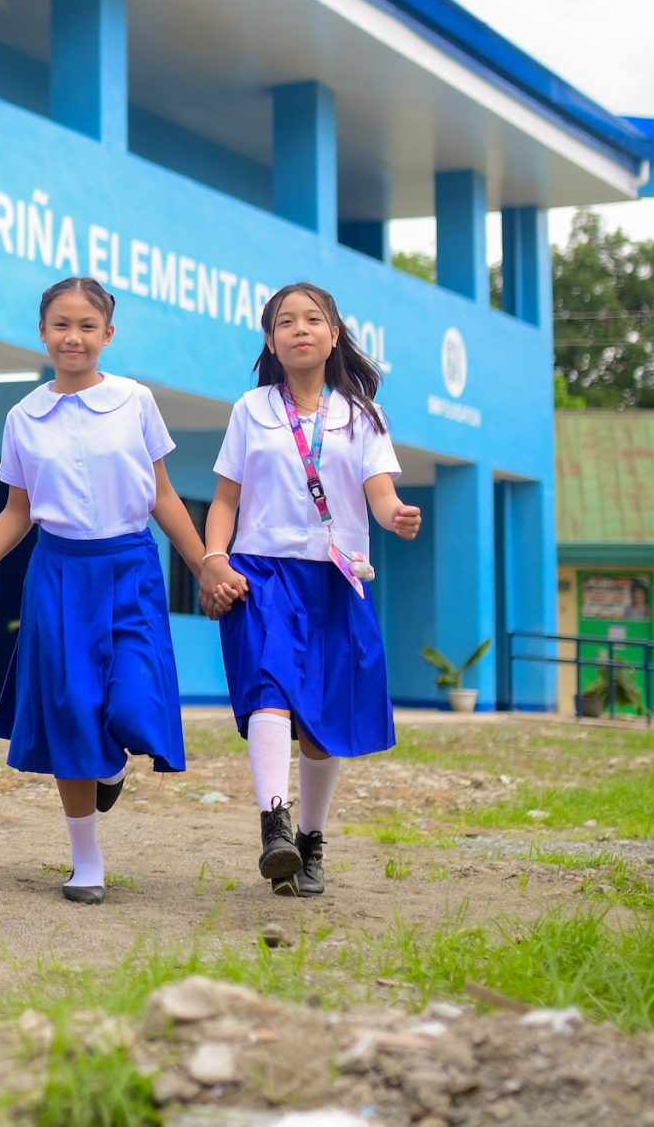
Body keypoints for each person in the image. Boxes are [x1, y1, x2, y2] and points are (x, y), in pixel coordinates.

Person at [0, 277, 208, 904]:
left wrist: (208, 561)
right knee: (74, 709)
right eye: (60, 325)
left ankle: (112, 762)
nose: (72, 337)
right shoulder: (25, 416)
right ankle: (86, 860)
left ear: (108, 335)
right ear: (43, 332)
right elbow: (17, 511)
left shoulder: (135, 401)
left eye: (86, 326)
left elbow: (162, 494)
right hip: (58, 573)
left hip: (130, 565)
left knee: (133, 700)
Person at [202, 280, 422, 897]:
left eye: (313, 319)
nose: (300, 328)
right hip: (264, 572)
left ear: (333, 335)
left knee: (323, 722)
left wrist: (397, 515)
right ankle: (274, 823)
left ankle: (311, 839)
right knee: (269, 688)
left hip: (335, 577)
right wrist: (216, 557)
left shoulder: (362, 417)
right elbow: (226, 499)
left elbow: (381, 496)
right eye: (285, 321)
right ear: (271, 340)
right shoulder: (252, 410)